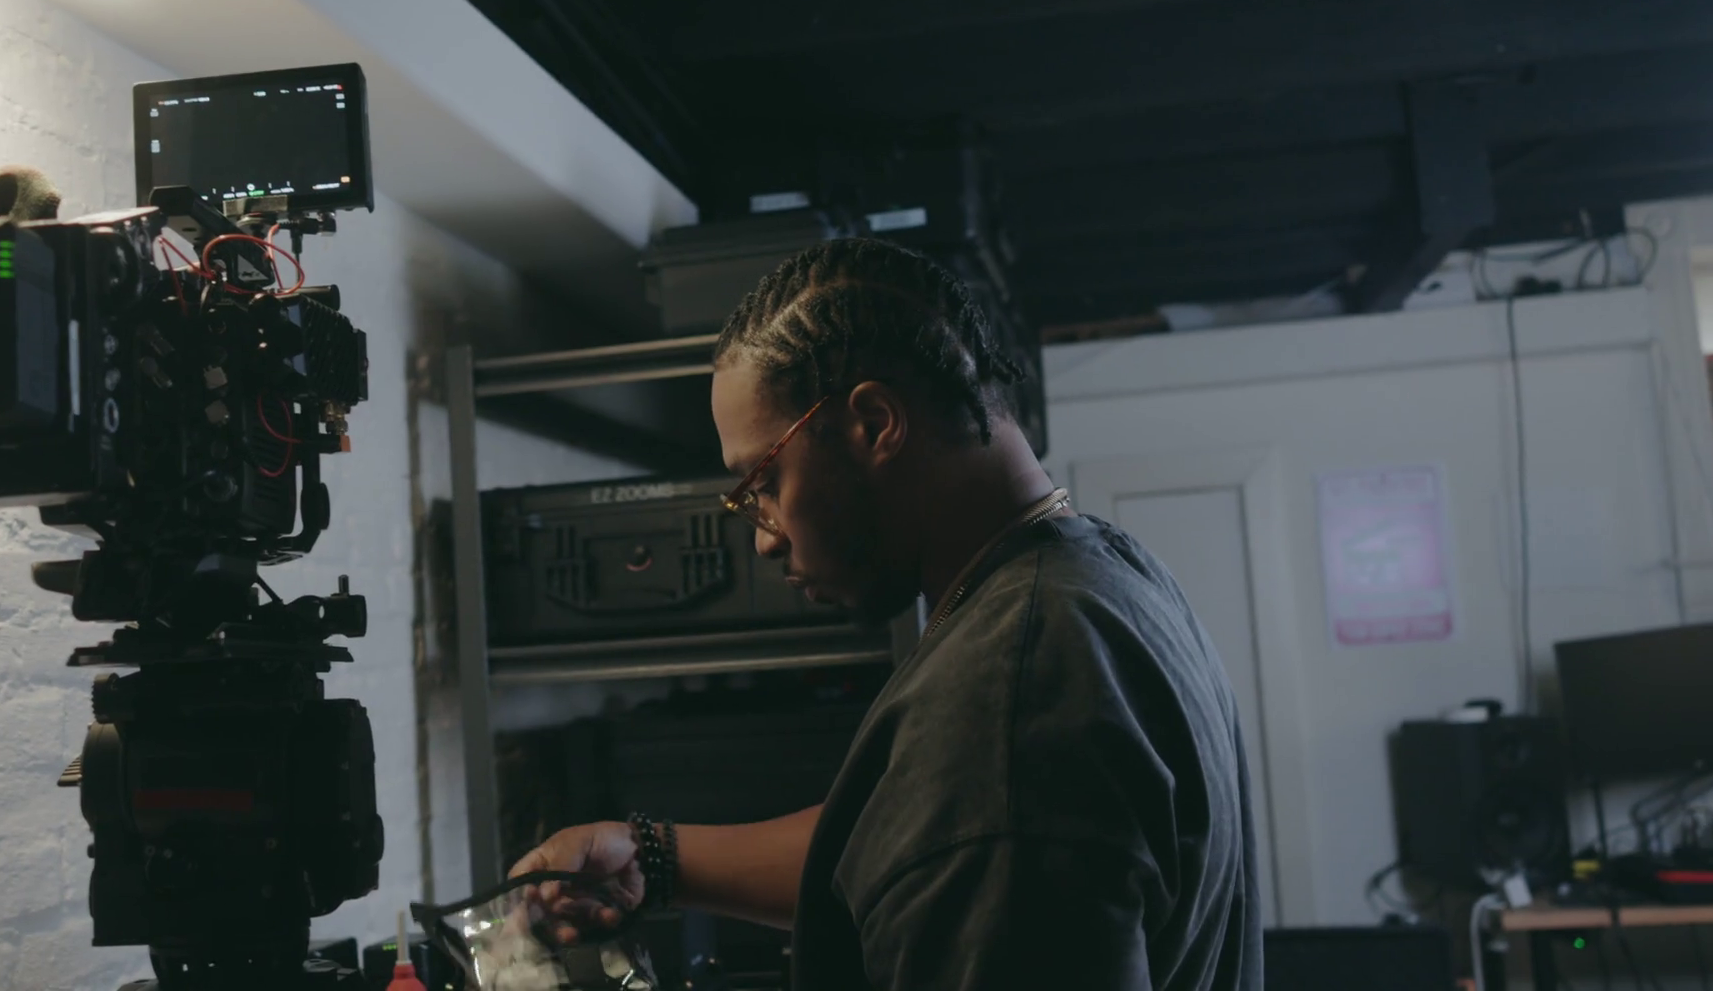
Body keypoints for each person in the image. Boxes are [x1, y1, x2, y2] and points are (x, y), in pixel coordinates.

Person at [511, 238, 1261, 990]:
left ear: (874, 423)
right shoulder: (1102, 576)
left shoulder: (1007, 703)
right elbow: (919, 846)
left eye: (763, 483)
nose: (766, 537)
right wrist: (654, 859)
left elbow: (977, 825)